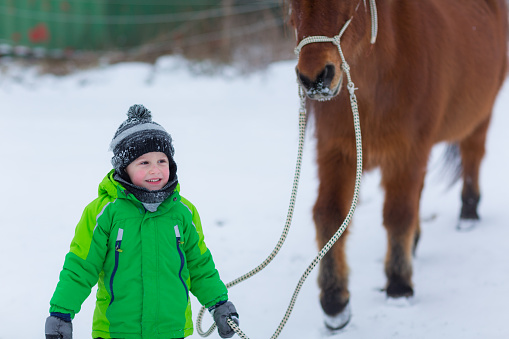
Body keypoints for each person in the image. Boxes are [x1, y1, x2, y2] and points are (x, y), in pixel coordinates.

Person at [45, 104, 239, 339]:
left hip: (170, 329)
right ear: (124, 168)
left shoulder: (183, 212)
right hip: (117, 330)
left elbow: (199, 265)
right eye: (144, 163)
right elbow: (81, 267)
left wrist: (219, 304)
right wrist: (61, 313)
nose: (155, 170)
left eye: (161, 161)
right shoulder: (104, 213)